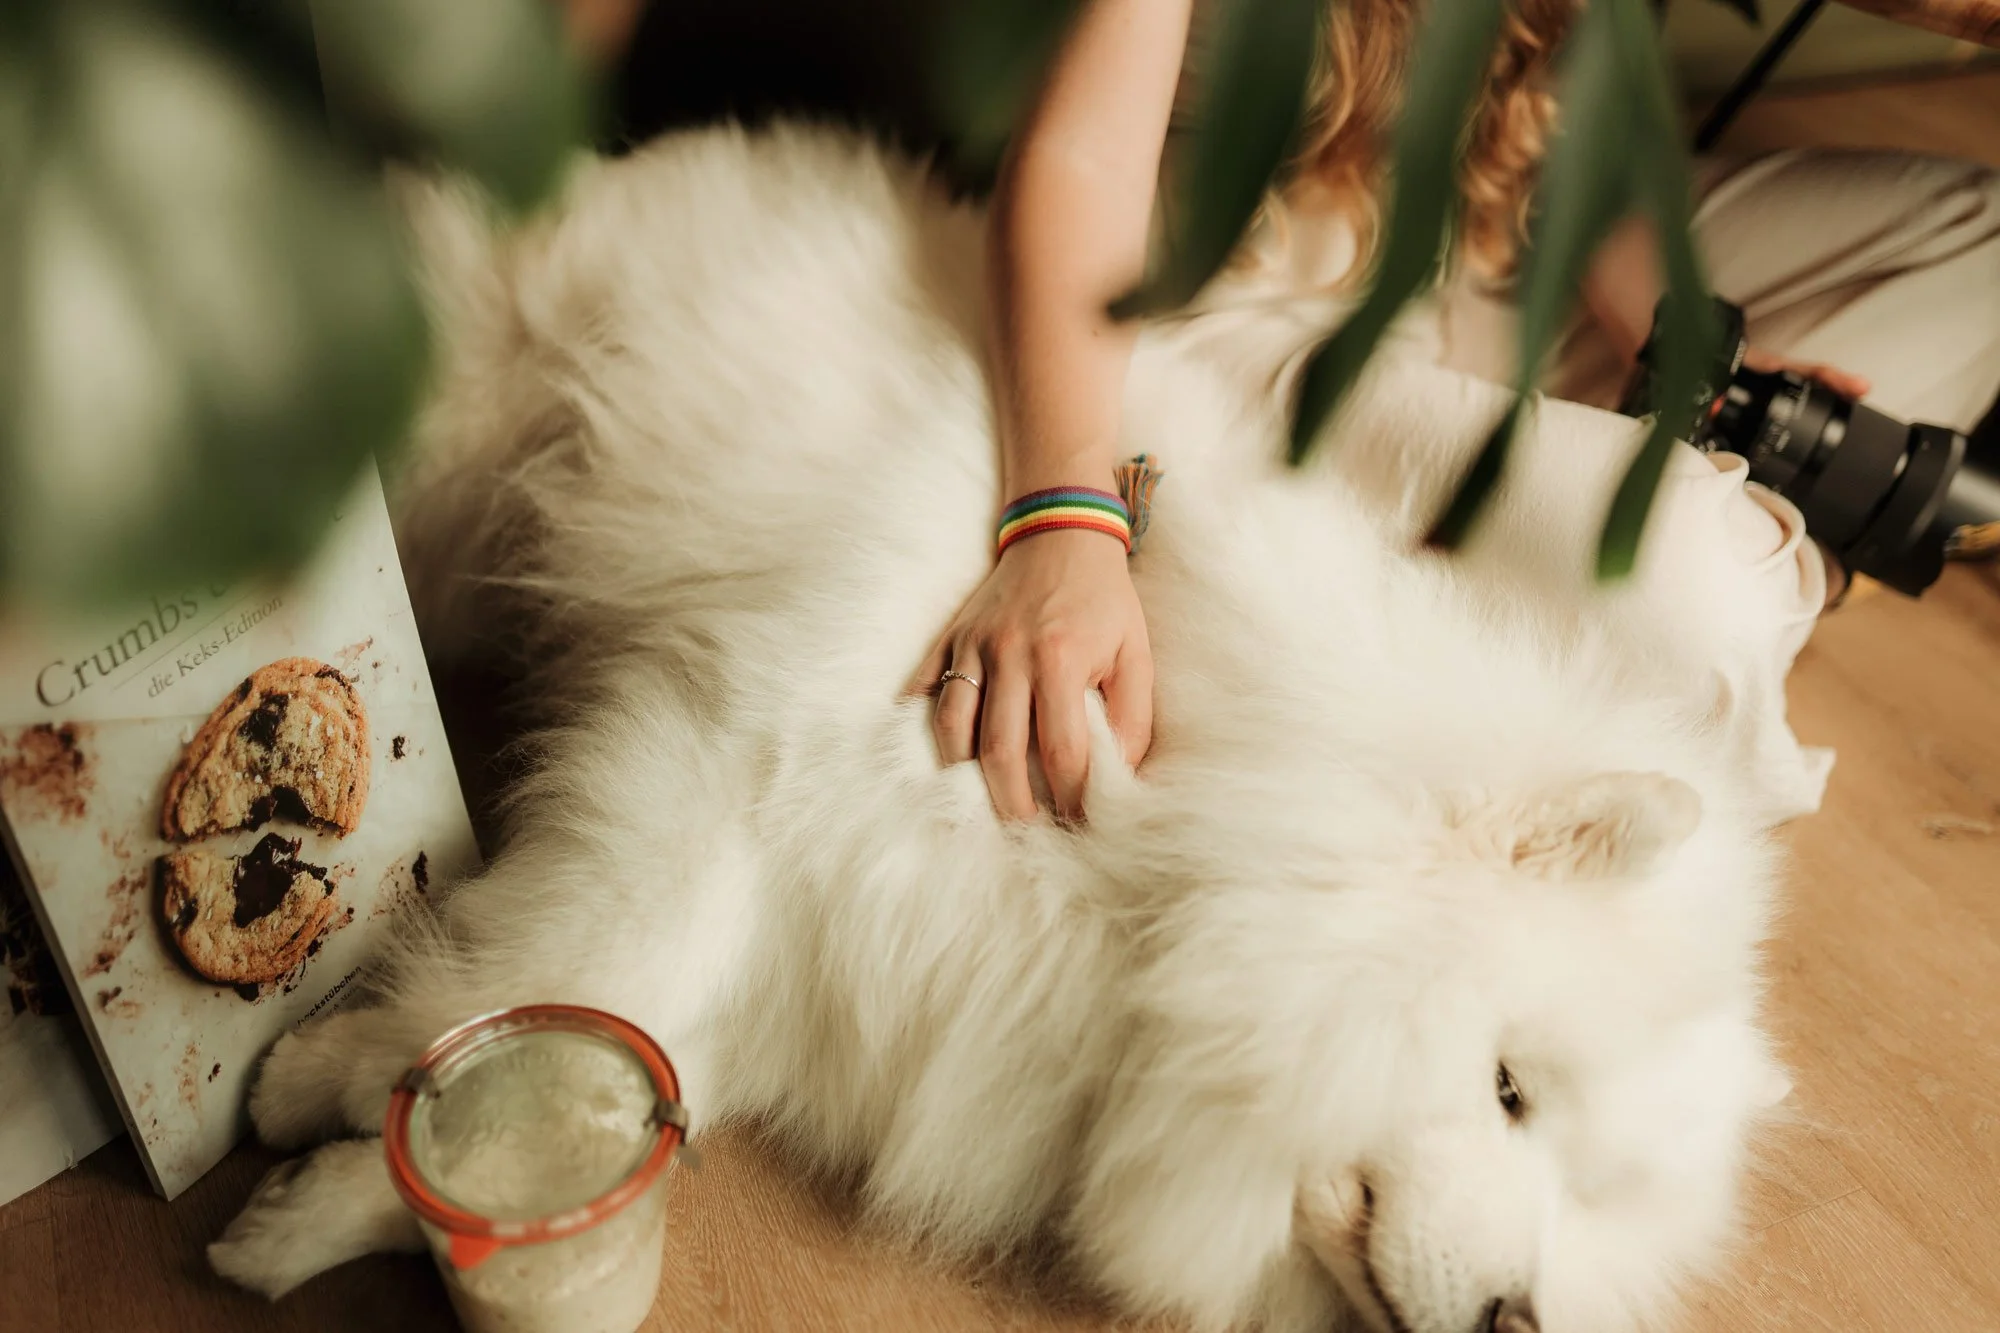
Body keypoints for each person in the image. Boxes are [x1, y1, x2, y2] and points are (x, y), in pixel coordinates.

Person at [572, 0, 2000, 822]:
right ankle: (1692, 556)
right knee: (1701, 589)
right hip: (1245, 336)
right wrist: (1061, 517)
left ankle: (1618, 520)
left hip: (1463, 277)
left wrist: (1690, 348)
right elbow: (1076, 163)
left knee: (1979, 243)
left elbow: (1567, 129)